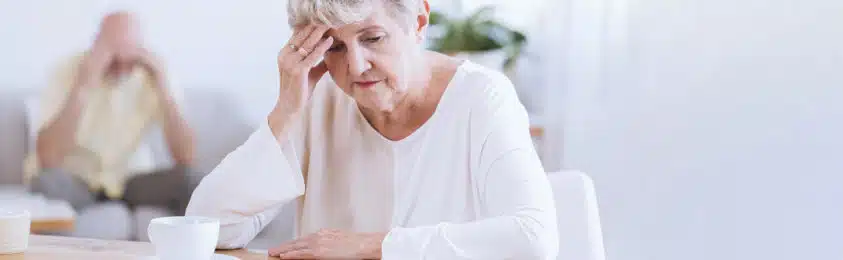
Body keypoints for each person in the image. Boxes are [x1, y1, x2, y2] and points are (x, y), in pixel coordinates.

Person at [185, 0, 559, 259]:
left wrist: (373, 246)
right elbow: (208, 228)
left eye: (372, 38)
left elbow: (534, 237)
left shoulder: (482, 97)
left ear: (418, 22)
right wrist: (286, 110)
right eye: (334, 47)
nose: (357, 66)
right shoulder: (318, 100)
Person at [24, 11, 198, 238]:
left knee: (192, 180)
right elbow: (48, 157)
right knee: (46, 182)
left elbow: (186, 157)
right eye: (113, 56)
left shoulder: (154, 76)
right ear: (96, 45)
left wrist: (163, 88)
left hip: (130, 183)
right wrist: (84, 84)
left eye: (129, 57)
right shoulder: (66, 71)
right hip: (79, 182)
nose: (121, 67)